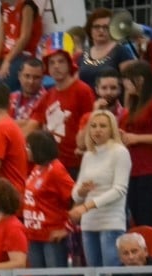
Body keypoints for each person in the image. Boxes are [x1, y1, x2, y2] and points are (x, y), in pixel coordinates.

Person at [69, 110, 131, 267]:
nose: (97, 130)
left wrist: (87, 206)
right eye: (94, 126)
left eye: (103, 126)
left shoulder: (120, 152)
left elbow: (119, 190)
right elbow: (76, 194)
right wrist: (82, 192)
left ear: (112, 129)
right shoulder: (89, 155)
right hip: (89, 223)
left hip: (111, 222)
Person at [24, 45, 96, 178]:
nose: (56, 66)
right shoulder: (47, 96)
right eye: (52, 62)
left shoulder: (83, 91)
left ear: (69, 64)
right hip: (53, 164)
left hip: (78, 165)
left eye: (61, 61)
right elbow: (32, 126)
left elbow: (93, 124)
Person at [119, 61, 152, 229]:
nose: (125, 84)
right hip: (132, 170)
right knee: (136, 216)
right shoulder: (133, 106)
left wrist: (138, 138)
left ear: (140, 80)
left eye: (128, 80)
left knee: (147, 219)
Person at [22, 130, 75, 276]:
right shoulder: (37, 168)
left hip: (51, 237)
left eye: (29, 147)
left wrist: (67, 228)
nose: (26, 150)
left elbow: (76, 198)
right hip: (34, 236)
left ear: (39, 148)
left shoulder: (56, 170)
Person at [0, 0, 42, 92]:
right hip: (6, 54)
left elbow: (25, 37)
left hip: (23, 54)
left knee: (1, 84)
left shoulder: (27, 6)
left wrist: (7, 61)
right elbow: (1, 37)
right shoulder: (3, 7)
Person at [78, 9, 135, 88]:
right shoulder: (83, 55)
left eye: (105, 27)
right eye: (96, 26)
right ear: (89, 29)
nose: (101, 30)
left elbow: (131, 85)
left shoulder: (121, 51)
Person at [9, 56, 47, 125]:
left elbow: (31, 129)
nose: (31, 81)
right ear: (19, 76)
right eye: (27, 76)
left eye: (36, 77)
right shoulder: (10, 97)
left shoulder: (46, 100)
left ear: (42, 79)